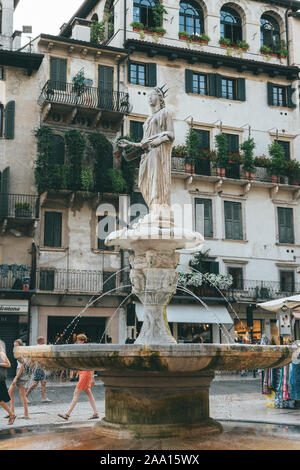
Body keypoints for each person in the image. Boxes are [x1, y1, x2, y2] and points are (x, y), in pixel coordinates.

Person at [58, 334, 99, 421]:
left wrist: (92, 377)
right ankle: (95, 413)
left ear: (82, 341)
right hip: (82, 373)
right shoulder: (82, 349)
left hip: (85, 373)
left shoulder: (86, 350)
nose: (77, 342)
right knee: (89, 393)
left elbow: (91, 363)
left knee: (76, 393)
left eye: (78, 341)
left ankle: (67, 414)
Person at [8, 339, 30, 419]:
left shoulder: (21, 354)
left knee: (22, 395)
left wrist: (16, 378)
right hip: (19, 372)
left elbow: (21, 366)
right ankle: (12, 412)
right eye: (14, 346)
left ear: (20, 346)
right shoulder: (18, 353)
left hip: (21, 373)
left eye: (16, 346)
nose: (15, 347)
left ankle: (26, 414)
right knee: (10, 392)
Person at [26, 336, 52, 403]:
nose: (44, 341)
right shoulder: (38, 348)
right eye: (43, 340)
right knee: (35, 384)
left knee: (43, 383)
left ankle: (44, 398)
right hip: (38, 369)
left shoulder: (41, 347)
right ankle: (25, 396)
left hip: (42, 369)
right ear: (40, 341)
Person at [0, 340, 16, 425]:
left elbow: (8, 364)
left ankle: (11, 414)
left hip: (0, 380)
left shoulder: (1, 353)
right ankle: (11, 414)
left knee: (1, 401)